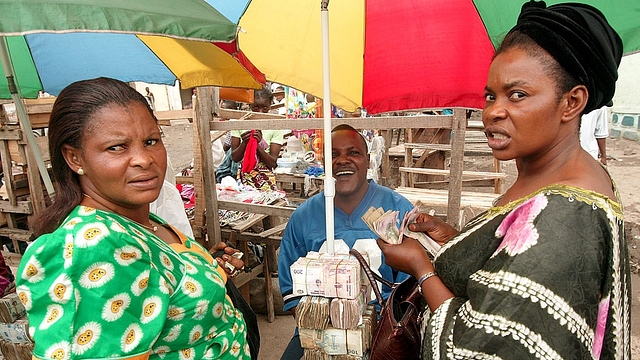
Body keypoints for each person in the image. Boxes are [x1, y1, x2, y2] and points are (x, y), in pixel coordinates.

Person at [377, 2, 630, 359]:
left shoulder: (567, 218)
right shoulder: (547, 176)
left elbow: (482, 347)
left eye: (518, 95)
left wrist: (421, 268)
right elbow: (510, 255)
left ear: (571, 102)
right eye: (490, 95)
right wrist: (452, 237)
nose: (493, 111)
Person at [15, 77, 251, 360]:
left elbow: (155, 285)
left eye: (151, 141)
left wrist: (206, 268)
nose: (143, 159)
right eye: (117, 147)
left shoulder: (140, 221)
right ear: (75, 158)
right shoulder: (92, 248)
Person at [278, 124, 415, 359]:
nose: (343, 160)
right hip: (320, 335)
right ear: (323, 163)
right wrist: (330, 329)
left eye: (353, 152)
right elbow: (291, 291)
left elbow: (409, 290)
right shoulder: (303, 218)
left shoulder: (398, 210)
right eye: (333, 154)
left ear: (368, 159)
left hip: (385, 332)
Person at [230, 86, 288, 190]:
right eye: (256, 107)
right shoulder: (239, 123)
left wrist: (257, 144)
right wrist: (245, 143)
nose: (260, 112)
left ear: (270, 106)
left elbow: (272, 163)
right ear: (250, 104)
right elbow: (235, 157)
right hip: (244, 180)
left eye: (264, 108)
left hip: (266, 181)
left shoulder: (275, 127)